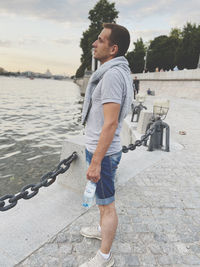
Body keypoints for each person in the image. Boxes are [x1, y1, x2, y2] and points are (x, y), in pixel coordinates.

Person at [80, 23, 133, 267]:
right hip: (103, 151)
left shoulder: (111, 75)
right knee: (102, 202)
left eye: (100, 40)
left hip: (104, 154)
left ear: (113, 49)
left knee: (107, 206)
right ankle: (102, 229)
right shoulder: (117, 71)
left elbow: (110, 124)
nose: (94, 43)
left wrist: (96, 162)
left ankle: (104, 257)